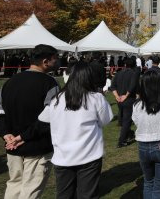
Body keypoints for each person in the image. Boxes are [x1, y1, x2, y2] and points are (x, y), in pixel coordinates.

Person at [0, 44, 60, 199]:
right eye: (56, 59)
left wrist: (6, 134)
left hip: (13, 145)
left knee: (14, 185)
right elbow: (51, 117)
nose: (58, 62)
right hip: (36, 146)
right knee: (30, 191)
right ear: (46, 61)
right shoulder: (50, 83)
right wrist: (15, 136)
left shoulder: (11, 81)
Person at [38, 61, 113, 199]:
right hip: (88, 157)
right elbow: (105, 120)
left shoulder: (56, 100)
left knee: (64, 195)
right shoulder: (96, 98)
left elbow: (44, 118)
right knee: (86, 195)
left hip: (64, 156)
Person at [132, 70, 160, 199]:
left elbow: (136, 122)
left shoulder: (137, 106)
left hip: (144, 147)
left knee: (149, 182)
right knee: (158, 185)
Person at [111, 57, 140, 147]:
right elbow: (132, 86)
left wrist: (117, 96)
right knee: (127, 121)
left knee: (124, 119)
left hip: (119, 99)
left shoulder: (118, 73)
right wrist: (126, 96)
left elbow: (113, 86)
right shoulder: (133, 74)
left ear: (125, 65)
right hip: (128, 99)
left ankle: (129, 133)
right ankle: (121, 141)